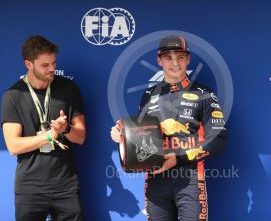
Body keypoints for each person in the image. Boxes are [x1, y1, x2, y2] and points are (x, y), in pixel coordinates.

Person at [111, 35, 227, 220]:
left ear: (188, 59)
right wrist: (122, 132)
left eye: (180, 57)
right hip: (155, 180)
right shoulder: (148, 95)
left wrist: (178, 158)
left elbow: (218, 141)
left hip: (190, 180)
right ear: (159, 60)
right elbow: (141, 137)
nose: (175, 63)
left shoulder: (205, 94)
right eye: (168, 58)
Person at [1, 35, 86, 221]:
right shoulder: (13, 95)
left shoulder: (69, 88)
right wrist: (50, 135)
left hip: (66, 185)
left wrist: (65, 130)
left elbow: (80, 137)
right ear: (28, 64)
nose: (52, 68)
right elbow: (13, 146)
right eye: (45, 65)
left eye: (54, 63)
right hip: (30, 188)